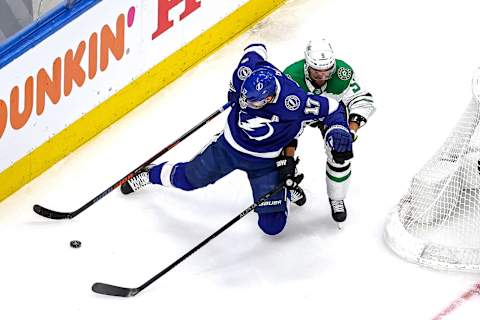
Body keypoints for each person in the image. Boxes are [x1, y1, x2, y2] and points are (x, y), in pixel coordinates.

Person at [120, 43, 353, 235]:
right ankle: (149, 173)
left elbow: (333, 109)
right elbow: (256, 48)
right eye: (245, 98)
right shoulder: (246, 73)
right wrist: (233, 92)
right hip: (228, 148)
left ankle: (283, 192)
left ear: (272, 96)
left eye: (255, 102)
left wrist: (339, 131)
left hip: (266, 162)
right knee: (188, 180)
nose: (247, 104)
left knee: (273, 227)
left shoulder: (295, 102)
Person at [283, 38, 375, 224]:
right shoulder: (290, 77)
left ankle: (337, 198)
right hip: (298, 114)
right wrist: (288, 158)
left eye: (327, 72)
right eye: (317, 72)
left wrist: (351, 131)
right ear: (307, 66)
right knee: (279, 154)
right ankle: (289, 183)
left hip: (331, 111)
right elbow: (283, 118)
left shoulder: (343, 73)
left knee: (340, 149)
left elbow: (362, 100)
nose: (323, 77)